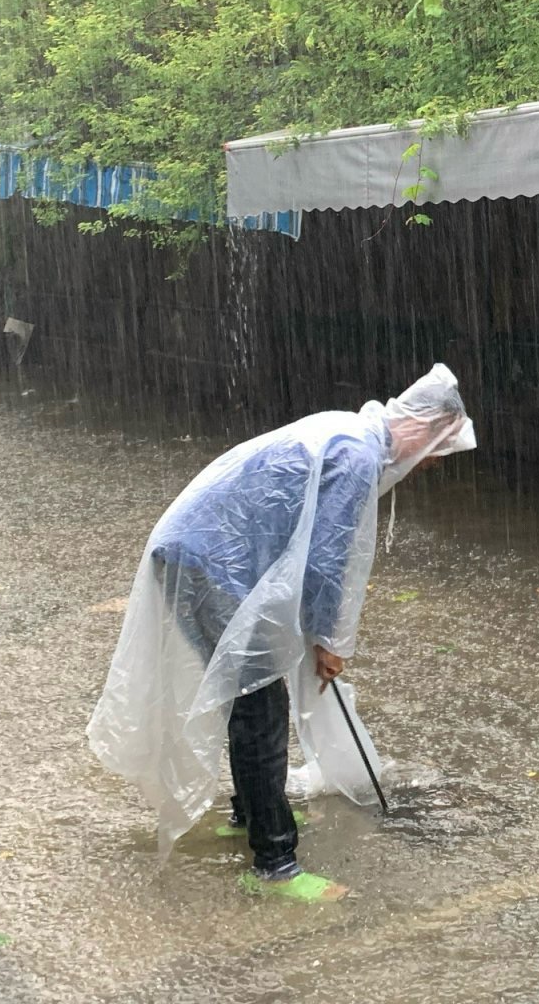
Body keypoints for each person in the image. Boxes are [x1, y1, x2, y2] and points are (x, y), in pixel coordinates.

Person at [88, 365, 475, 901]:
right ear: (426, 427)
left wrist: (314, 634)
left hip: (202, 552)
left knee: (249, 692)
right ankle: (274, 864)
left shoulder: (350, 432)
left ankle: (251, 815)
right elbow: (326, 558)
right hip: (208, 561)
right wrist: (327, 640)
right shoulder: (358, 453)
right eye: (439, 450)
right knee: (258, 704)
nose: (432, 463)